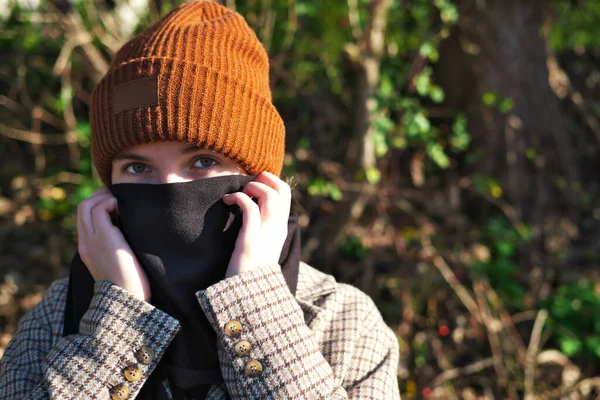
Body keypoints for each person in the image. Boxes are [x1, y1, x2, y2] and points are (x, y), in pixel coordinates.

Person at [0, 1, 400, 399]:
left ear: (261, 182)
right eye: (137, 168)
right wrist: (115, 322)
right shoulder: (57, 315)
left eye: (203, 161)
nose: (169, 189)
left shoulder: (342, 322)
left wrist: (254, 305)